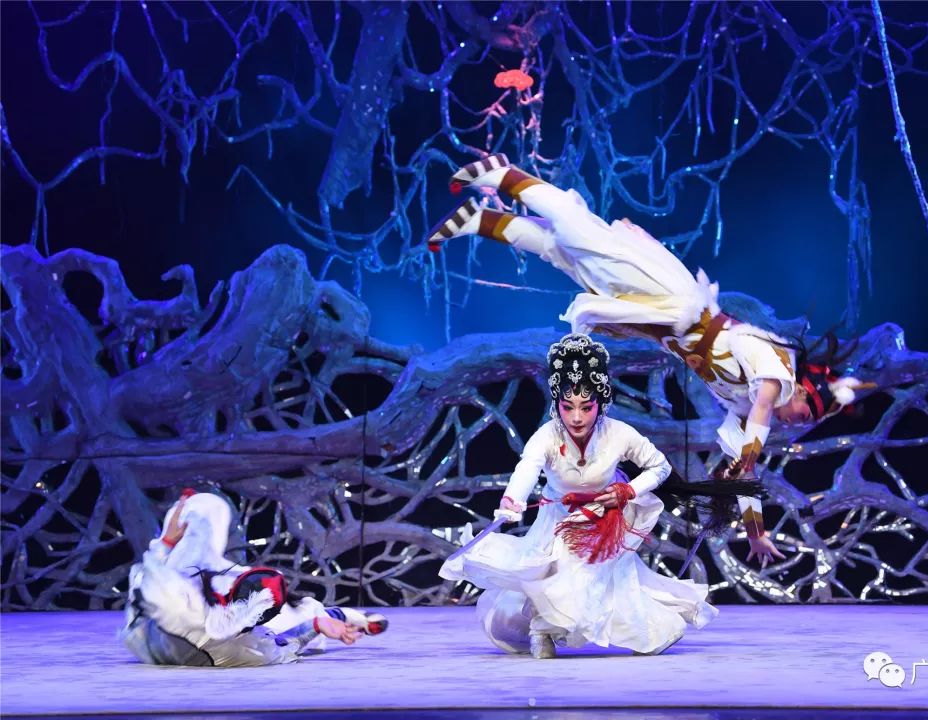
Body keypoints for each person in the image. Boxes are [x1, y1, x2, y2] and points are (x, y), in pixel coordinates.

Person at [428, 155, 872, 566]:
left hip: (656, 322)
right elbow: (762, 414)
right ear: (804, 391)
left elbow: (745, 477)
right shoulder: (774, 364)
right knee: (580, 234)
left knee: (568, 259)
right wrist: (751, 454)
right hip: (673, 298)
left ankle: (480, 220)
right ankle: (502, 173)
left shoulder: (744, 407)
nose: (795, 423)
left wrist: (756, 533)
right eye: (804, 414)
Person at [440, 333, 717, 658]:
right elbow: (527, 467)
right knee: (554, 576)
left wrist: (628, 490)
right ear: (556, 404)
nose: (576, 417)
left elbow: (660, 467)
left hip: (604, 520)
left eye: (586, 407)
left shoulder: (619, 433)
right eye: (567, 406)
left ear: (601, 403)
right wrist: (512, 499)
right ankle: (541, 630)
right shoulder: (547, 435)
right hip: (559, 520)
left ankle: (643, 632)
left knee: (605, 583)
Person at [121, 490, 388, 667]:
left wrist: (167, 541)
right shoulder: (248, 650)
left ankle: (344, 616)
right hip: (173, 636)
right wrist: (316, 624)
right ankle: (346, 616)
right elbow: (285, 645)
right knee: (301, 613)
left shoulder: (178, 601)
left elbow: (145, 581)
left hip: (147, 639)